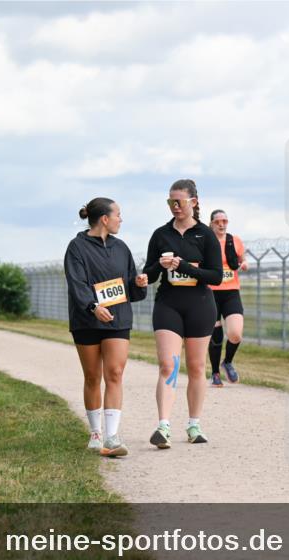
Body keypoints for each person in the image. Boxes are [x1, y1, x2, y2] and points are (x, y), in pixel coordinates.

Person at [64, 197, 148, 457]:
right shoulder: (76, 247)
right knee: (92, 376)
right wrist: (92, 307)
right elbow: (76, 283)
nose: (121, 220)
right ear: (104, 219)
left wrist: (139, 284)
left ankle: (111, 436)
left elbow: (129, 289)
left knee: (115, 373)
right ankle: (95, 433)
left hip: (118, 320)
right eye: (118, 215)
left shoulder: (122, 248)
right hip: (87, 320)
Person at [142, 179, 223, 447]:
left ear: (194, 202)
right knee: (169, 365)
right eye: (170, 202)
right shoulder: (160, 234)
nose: (175, 207)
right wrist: (155, 268)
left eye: (179, 202)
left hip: (200, 303)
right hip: (169, 303)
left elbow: (216, 276)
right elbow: (149, 273)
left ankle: (194, 425)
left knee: (197, 367)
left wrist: (185, 266)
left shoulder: (205, 234)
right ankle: (163, 426)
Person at [207, 209, 248, 386]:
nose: (222, 224)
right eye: (218, 221)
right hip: (211, 292)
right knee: (216, 335)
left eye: (225, 221)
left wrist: (244, 263)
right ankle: (215, 373)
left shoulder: (235, 241)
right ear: (211, 224)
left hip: (231, 292)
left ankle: (228, 361)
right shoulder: (205, 242)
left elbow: (241, 259)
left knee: (236, 333)